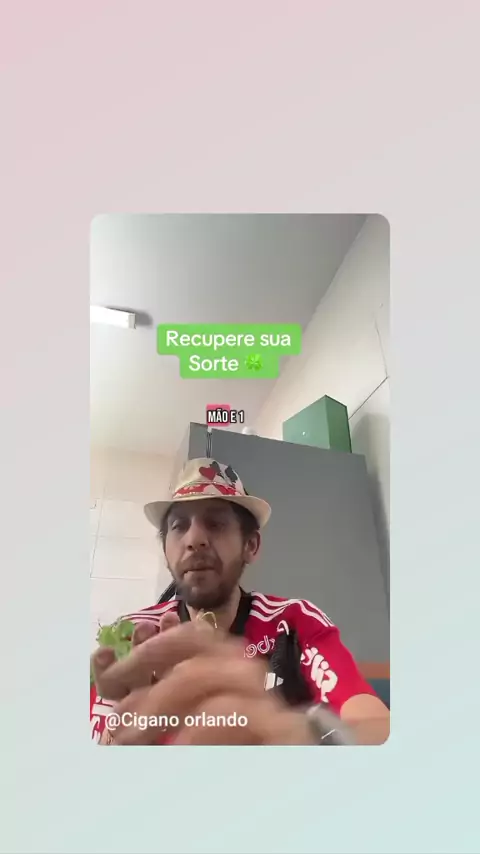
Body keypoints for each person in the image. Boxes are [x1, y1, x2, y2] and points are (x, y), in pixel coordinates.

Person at [90, 458, 390, 745]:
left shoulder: (294, 622)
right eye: (178, 526)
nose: (194, 539)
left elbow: (376, 726)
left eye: (216, 523)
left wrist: (299, 738)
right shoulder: (132, 637)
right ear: (165, 549)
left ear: (251, 545)